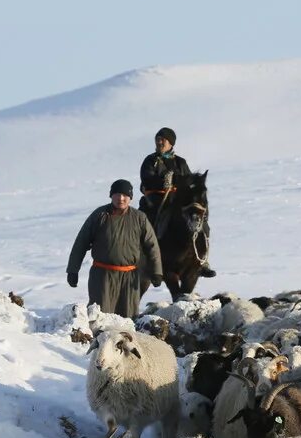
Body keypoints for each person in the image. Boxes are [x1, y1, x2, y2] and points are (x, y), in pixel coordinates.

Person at [66, 179, 162, 318]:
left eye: (125, 195)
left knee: (128, 318)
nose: (121, 198)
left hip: (130, 278)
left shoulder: (139, 218)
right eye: (117, 194)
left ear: (130, 197)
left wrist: (157, 272)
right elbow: (81, 242)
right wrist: (73, 270)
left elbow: (152, 246)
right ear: (111, 195)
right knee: (100, 317)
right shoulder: (99, 215)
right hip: (102, 277)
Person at [140, 127, 216, 278]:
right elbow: (146, 179)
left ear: (171, 143)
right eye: (157, 138)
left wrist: (178, 182)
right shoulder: (150, 161)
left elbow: (189, 181)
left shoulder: (181, 162)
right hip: (156, 200)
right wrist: (164, 181)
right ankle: (146, 258)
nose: (159, 142)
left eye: (163, 139)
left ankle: (201, 261)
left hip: (178, 200)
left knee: (202, 222)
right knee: (146, 223)